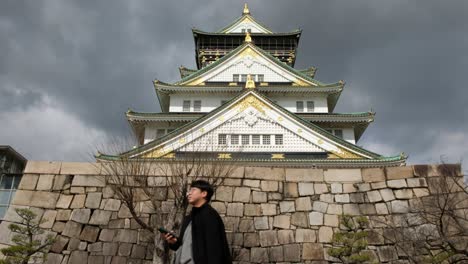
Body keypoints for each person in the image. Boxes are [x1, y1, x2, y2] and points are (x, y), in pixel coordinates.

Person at [162, 180, 232, 264]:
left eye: (193, 190)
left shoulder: (210, 216)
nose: (188, 193)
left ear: (204, 194)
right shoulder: (190, 218)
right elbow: (186, 246)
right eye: (189, 190)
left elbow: (214, 249)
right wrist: (174, 242)